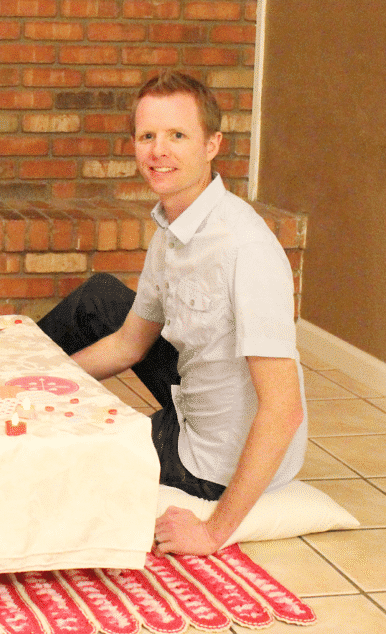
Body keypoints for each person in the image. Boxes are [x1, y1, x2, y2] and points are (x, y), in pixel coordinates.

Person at [37, 70, 307, 556]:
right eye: (147, 136)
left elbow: (284, 410)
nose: (158, 151)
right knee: (100, 296)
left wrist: (213, 531)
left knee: (74, 452)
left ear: (212, 145)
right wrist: (40, 378)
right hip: (197, 395)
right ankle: (9, 381)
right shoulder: (171, 231)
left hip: (214, 459)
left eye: (177, 135)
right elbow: (128, 345)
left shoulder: (245, 248)